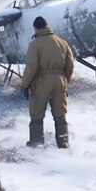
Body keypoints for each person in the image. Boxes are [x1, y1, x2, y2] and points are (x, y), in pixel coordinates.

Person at [21, 16, 74, 148]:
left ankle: (36, 142)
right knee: (60, 114)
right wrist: (64, 80)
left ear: (35, 28)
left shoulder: (35, 44)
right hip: (59, 80)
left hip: (41, 81)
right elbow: (70, 65)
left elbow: (32, 67)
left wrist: (25, 84)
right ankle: (63, 142)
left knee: (37, 113)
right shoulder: (62, 43)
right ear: (47, 26)